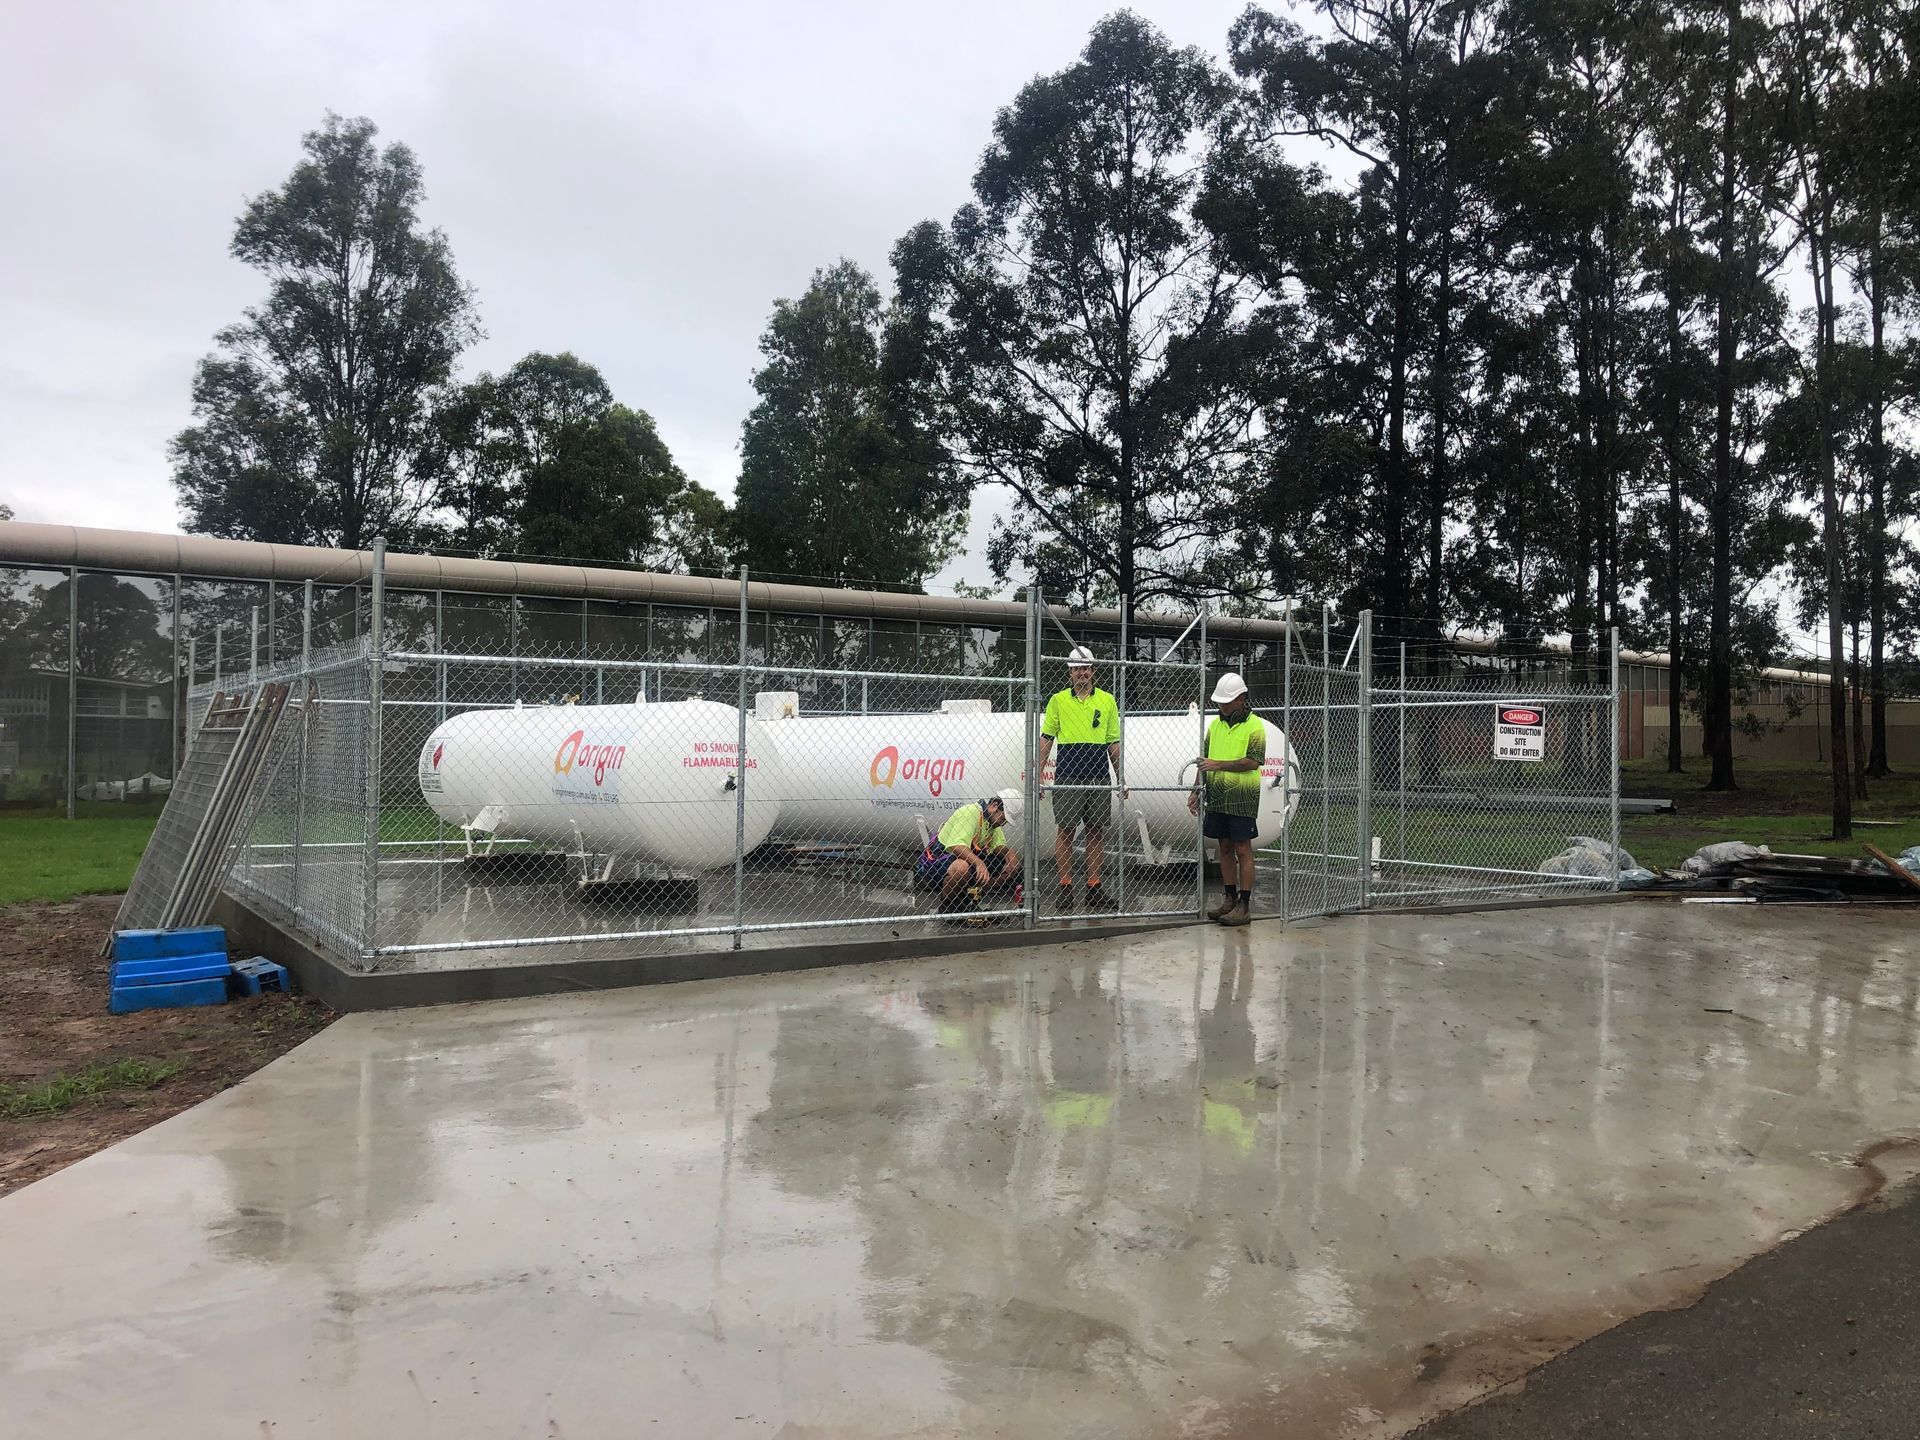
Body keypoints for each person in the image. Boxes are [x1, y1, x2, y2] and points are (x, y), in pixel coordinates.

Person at [1035, 645, 1124, 912]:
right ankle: (1065, 887)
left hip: (1098, 776)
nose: (1082, 673)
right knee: (1066, 832)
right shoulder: (1058, 701)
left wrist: (1121, 778)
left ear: (1093, 671)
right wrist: (1037, 775)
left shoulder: (1107, 701)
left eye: (1086, 668)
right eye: (1077, 669)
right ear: (1070, 674)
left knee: (1096, 832)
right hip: (1068, 775)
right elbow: (1046, 740)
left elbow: (1114, 743)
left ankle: (1094, 887)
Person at [1189, 672, 1264, 926]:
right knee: (1224, 848)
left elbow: (1252, 762)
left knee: (1243, 849)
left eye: (1226, 701)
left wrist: (1216, 764)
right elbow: (1204, 762)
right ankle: (1230, 899)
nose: (1221, 705)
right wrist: (1196, 790)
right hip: (1218, 797)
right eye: (1220, 701)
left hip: (1243, 798)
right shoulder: (1215, 726)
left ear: (1241, 699)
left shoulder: (1255, 726)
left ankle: (1244, 904)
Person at [916, 793, 1022, 915]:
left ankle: (967, 901)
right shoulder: (971, 812)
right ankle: (947, 906)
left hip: (959, 863)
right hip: (937, 865)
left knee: (1003, 863)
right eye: (1003, 819)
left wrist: (1009, 852)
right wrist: (979, 863)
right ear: (994, 806)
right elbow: (956, 846)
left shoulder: (992, 823)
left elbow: (998, 848)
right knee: (961, 867)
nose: (1002, 824)